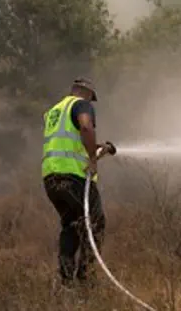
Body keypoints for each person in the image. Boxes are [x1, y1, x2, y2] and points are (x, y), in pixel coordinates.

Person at [42, 77, 108, 289]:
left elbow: (71, 139)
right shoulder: (81, 104)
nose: (91, 102)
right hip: (73, 177)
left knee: (71, 226)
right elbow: (86, 128)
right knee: (95, 223)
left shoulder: (55, 111)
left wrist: (99, 148)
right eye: (92, 98)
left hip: (52, 179)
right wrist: (92, 159)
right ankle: (85, 279)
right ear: (87, 93)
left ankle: (65, 281)